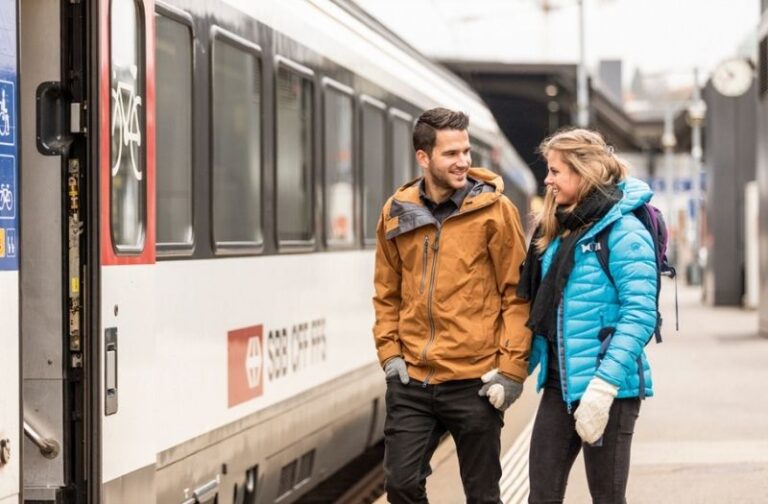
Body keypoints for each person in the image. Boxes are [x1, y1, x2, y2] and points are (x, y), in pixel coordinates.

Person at [372, 107, 532, 503]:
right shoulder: (397, 213)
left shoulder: (495, 213)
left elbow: (517, 294)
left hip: (474, 381)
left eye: (466, 151)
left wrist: (511, 371)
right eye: (451, 154)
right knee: (401, 485)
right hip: (413, 379)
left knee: (482, 495)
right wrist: (390, 352)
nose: (462, 161)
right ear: (423, 157)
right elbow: (386, 291)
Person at [519, 128, 658, 504]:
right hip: (558, 387)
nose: (546, 180)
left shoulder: (625, 232)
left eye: (555, 171)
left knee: (607, 498)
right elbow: (545, 316)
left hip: (609, 389)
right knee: (541, 496)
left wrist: (604, 388)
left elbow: (640, 315)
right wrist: (512, 373)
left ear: (582, 172)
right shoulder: (557, 233)